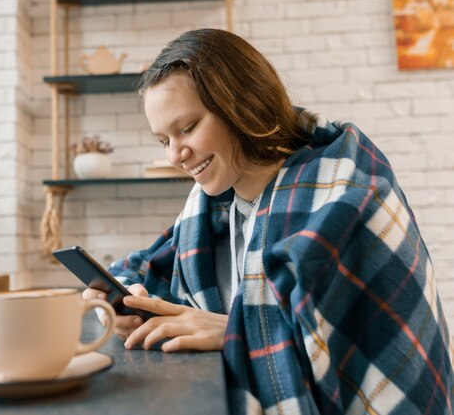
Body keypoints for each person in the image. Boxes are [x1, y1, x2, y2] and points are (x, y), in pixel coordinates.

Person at [83, 28, 454, 414]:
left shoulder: (346, 191)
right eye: (164, 140)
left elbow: (345, 340)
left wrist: (234, 331)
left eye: (188, 128)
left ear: (239, 105)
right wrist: (124, 301)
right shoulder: (211, 208)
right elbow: (144, 267)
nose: (177, 155)